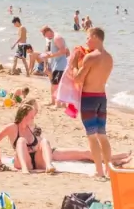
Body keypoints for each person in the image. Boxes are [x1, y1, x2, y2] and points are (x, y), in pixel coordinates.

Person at [74, 27, 115, 178]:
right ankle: (109, 170)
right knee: (102, 135)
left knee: (92, 136)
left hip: (89, 98)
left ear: (95, 37)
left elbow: (78, 79)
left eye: (88, 38)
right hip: (101, 98)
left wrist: (73, 64)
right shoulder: (109, 58)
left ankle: (99, 171)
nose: (86, 41)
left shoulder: (90, 57)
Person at [0, 104, 56, 174]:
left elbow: (40, 144)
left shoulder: (32, 127)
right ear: (24, 116)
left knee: (45, 141)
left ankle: (49, 165)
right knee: (21, 140)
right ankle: (24, 168)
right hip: (21, 161)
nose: (33, 118)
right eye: (31, 116)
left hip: (37, 160)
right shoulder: (12, 127)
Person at [40, 26, 69, 106]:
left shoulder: (57, 38)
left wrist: (50, 56)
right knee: (57, 84)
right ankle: (58, 103)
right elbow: (61, 51)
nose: (44, 36)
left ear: (48, 31)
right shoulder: (54, 38)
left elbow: (63, 51)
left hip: (60, 65)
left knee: (55, 84)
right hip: (57, 64)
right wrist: (47, 56)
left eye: (44, 34)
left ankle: (57, 104)